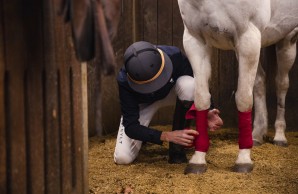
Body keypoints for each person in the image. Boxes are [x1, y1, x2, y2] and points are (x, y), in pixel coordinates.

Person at [113, 41, 223, 165]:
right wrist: (165, 135)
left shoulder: (175, 55)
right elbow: (131, 126)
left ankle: (177, 150)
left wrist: (207, 109)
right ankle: (146, 136)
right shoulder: (124, 80)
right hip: (143, 104)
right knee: (122, 158)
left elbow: (199, 84)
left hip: (171, 93)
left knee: (189, 85)